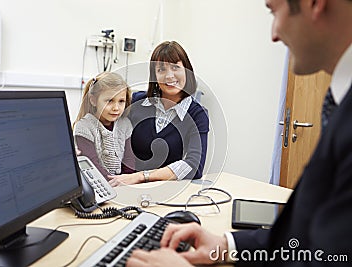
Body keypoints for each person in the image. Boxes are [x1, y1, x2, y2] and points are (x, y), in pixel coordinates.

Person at [126, 0, 352, 266]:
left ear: (313, 4)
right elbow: (305, 238)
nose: (273, 34)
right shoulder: (339, 101)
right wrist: (226, 244)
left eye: (273, 11)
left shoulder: (196, 112)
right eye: (161, 69)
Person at [108, 41, 209, 187]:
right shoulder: (136, 102)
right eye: (161, 70)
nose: (169, 76)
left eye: (175, 67)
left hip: (165, 189)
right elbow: (104, 124)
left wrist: (142, 176)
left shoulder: (197, 115)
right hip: (122, 185)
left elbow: (194, 166)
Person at [73, 72, 134, 178]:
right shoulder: (84, 127)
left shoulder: (125, 124)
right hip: (97, 183)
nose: (116, 107)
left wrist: (126, 180)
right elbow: (91, 164)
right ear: (93, 100)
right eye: (109, 101)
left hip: (123, 183)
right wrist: (114, 183)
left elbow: (129, 159)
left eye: (121, 101)